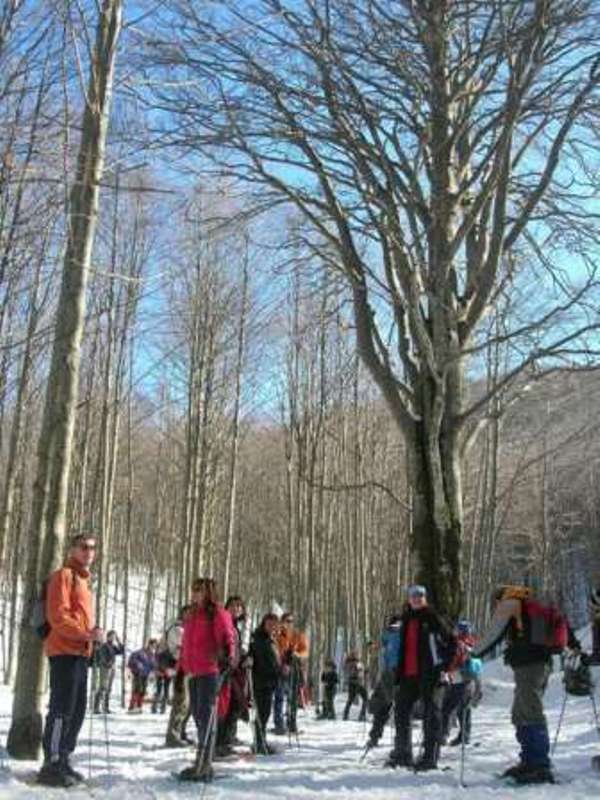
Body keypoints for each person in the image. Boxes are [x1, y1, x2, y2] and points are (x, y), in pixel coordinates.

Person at [472, 585, 560, 784]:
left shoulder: (510, 603)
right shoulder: (530, 605)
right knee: (521, 712)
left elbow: (494, 633)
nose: (495, 607)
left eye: (494, 603)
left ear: (499, 598)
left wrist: (473, 654)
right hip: (536, 664)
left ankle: (539, 765)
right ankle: (529, 761)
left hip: (531, 665)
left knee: (529, 711)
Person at [37, 534, 104, 788]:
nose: (89, 552)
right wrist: (86, 633)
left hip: (80, 653)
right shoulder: (64, 576)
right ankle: (51, 762)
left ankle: (63, 757)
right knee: (62, 708)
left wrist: (92, 636)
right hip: (63, 651)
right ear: (73, 550)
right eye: (84, 547)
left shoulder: (85, 583)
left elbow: (77, 617)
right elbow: (58, 616)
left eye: (93, 548)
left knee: (77, 708)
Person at [386, 584, 457, 771]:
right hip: (408, 674)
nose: (417, 598)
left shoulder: (433, 617)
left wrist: (445, 668)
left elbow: (452, 642)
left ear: (425, 597)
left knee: (431, 715)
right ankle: (403, 754)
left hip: (430, 675)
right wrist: (398, 673)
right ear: (408, 598)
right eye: (413, 595)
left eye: (420, 595)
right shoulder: (407, 618)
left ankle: (429, 758)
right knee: (401, 711)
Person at [178, 577, 235, 782]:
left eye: (199, 590)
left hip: (210, 670)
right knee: (197, 714)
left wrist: (227, 657)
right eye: (193, 590)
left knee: (206, 716)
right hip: (194, 671)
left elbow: (228, 637)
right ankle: (201, 759)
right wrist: (182, 667)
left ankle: (205, 762)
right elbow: (187, 643)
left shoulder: (217, 613)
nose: (195, 594)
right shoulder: (192, 614)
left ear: (208, 592)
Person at [216, 595, 250, 755]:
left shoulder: (235, 625)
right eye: (233, 606)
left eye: (239, 606)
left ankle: (227, 739)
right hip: (224, 669)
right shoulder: (224, 622)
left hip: (234, 670)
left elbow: (234, 647)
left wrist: (243, 656)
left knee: (235, 705)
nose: (236, 609)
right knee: (227, 706)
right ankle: (221, 743)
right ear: (227, 607)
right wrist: (226, 660)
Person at [441, 620, 482, 746]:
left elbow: (454, 661)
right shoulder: (472, 644)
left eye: (458, 629)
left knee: (448, 708)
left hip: (459, 680)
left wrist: (446, 670)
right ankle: (464, 736)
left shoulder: (459, 644)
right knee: (464, 710)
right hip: (470, 680)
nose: (455, 631)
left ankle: (443, 735)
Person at [366, 613, 402, 749]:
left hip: (393, 673)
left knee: (385, 705)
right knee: (386, 705)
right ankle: (376, 736)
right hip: (392, 673)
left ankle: (376, 736)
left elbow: (381, 648)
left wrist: (373, 646)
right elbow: (380, 647)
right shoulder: (391, 635)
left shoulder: (393, 635)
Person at [249, 613, 281, 755]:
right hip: (261, 681)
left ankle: (260, 741)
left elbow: (274, 660)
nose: (272, 627)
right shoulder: (258, 639)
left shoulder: (270, 639)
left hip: (269, 681)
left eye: (274, 625)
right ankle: (259, 743)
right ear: (264, 624)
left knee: (265, 714)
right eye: (269, 624)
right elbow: (261, 660)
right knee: (262, 714)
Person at [273, 612, 309, 735]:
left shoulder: (298, 636)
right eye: (286, 621)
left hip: (294, 670)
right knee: (279, 697)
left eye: (291, 621)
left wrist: (297, 654)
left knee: (293, 699)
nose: (288, 624)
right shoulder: (277, 636)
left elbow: (305, 652)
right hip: (281, 670)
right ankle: (279, 724)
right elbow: (275, 651)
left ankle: (292, 723)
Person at [165, 604, 194, 747]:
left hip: (190, 668)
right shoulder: (178, 629)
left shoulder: (190, 629)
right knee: (181, 702)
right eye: (188, 613)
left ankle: (180, 732)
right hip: (180, 668)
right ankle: (173, 735)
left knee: (188, 704)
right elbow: (183, 648)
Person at [93, 630, 124, 714]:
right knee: (102, 687)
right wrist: (107, 663)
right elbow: (102, 657)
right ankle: (96, 707)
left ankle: (106, 707)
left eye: (114, 636)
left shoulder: (113, 646)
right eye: (112, 636)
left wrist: (119, 641)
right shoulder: (104, 646)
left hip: (112, 668)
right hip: (105, 668)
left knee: (108, 689)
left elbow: (121, 651)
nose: (113, 638)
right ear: (108, 636)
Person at [128, 639, 158, 712]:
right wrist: (137, 664)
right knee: (137, 690)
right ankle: (132, 707)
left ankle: (139, 706)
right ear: (150, 644)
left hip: (145, 675)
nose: (154, 647)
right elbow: (132, 660)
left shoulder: (152, 655)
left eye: (155, 646)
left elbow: (153, 665)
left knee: (143, 691)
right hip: (138, 674)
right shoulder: (140, 652)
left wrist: (154, 672)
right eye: (153, 645)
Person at [343, 651, 368, 721]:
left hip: (351, 683)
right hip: (357, 683)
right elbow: (360, 672)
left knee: (350, 699)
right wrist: (364, 671)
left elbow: (347, 672)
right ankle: (362, 715)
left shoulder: (347, 663)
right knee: (365, 698)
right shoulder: (357, 663)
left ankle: (345, 715)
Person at [153, 641, 177, 714]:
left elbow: (173, 665)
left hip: (165, 674)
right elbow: (157, 664)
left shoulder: (168, 655)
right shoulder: (165, 654)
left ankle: (160, 708)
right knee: (160, 690)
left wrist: (170, 671)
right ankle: (158, 708)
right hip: (163, 673)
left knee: (161, 690)